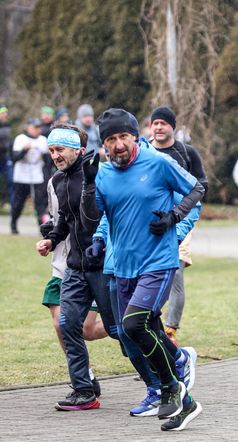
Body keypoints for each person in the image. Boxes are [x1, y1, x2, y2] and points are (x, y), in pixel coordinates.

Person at [81, 108, 204, 430]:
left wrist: (174, 216)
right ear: (104, 144)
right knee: (140, 329)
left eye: (123, 136)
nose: (118, 144)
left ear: (135, 136)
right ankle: (184, 394)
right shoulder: (104, 173)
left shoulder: (158, 163)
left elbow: (196, 189)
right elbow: (98, 216)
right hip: (123, 265)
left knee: (134, 324)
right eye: (111, 139)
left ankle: (171, 388)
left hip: (158, 261)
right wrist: (90, 188)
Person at [35, 123, 119, 411]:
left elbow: (101, 217)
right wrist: (52, 239)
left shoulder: (98, 175)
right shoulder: (57, 182)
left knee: (121, 328)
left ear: (78, 150)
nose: (55, 156)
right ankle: (84, 391)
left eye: (59, 150)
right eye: (51, 151)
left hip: (104, 265)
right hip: (74, 266)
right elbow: (64, 221)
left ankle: (167, 374)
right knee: (67, 324)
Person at [149, 106, 208, 344]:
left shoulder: (186, 152)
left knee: (175, 273)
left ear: (173, 126)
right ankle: (151, 327)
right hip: (151, 223)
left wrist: (182, 214)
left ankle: (170, 332)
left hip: (181, 219)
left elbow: (201, 183)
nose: (159, 127)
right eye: (155, 123)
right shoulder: (144, 151)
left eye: (164, 123)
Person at [11, 118, 49, 234]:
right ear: (28, 127)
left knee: (39, 202)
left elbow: (48, 161)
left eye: (39, 127)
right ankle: (13, 223)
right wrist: (25, 150)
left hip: (37, 173)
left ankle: (41, 227)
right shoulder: (20, 139)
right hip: (22, 174)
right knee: (19, 201)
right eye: (35, 127)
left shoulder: (43, 140)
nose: (37, 130)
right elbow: (14, 158)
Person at [0, 104, 13, 209]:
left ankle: (13, 207)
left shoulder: (7, 125)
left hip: (5, 158)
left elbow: (8, 143)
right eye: (3, 112)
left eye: (5, 112)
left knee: (10, 181)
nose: (5, 115)